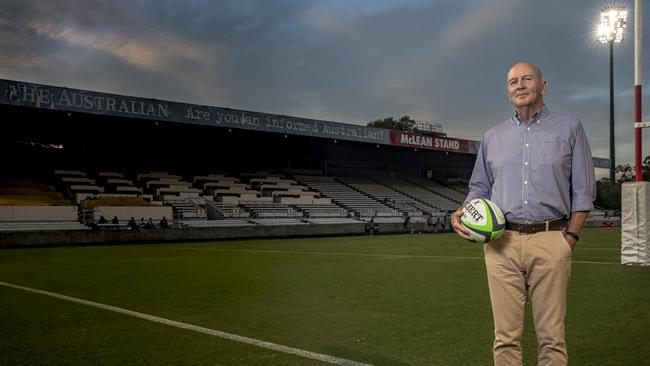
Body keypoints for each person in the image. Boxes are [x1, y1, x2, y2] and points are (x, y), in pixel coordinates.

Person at [450, 62, 596, 366]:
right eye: (513, 81)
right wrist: (461, 211)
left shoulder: (569, 127)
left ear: (543, 86)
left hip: (552, 239)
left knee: (552, 339)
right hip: (501, 245)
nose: (519, 85)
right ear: (508, 91)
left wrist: (569, 238)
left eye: (527, 78)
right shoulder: (492, 137)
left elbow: (583, 190)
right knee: (505, 338)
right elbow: (480, 187)